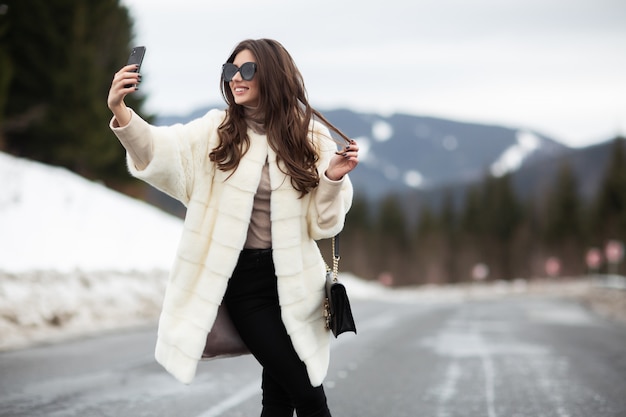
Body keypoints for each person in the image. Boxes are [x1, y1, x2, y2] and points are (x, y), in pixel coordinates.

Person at [107, 38, 358, 417]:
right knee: (308, 394)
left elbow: (323, 225)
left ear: (272, 75)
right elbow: (158, 151)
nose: (236, 78)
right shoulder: (216, 130)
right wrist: (120, 110)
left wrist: (332, 179)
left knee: (280, 398)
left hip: (297, 282)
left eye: (248, 70)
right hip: (246, 285)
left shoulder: (310, 137)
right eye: (230, 70)